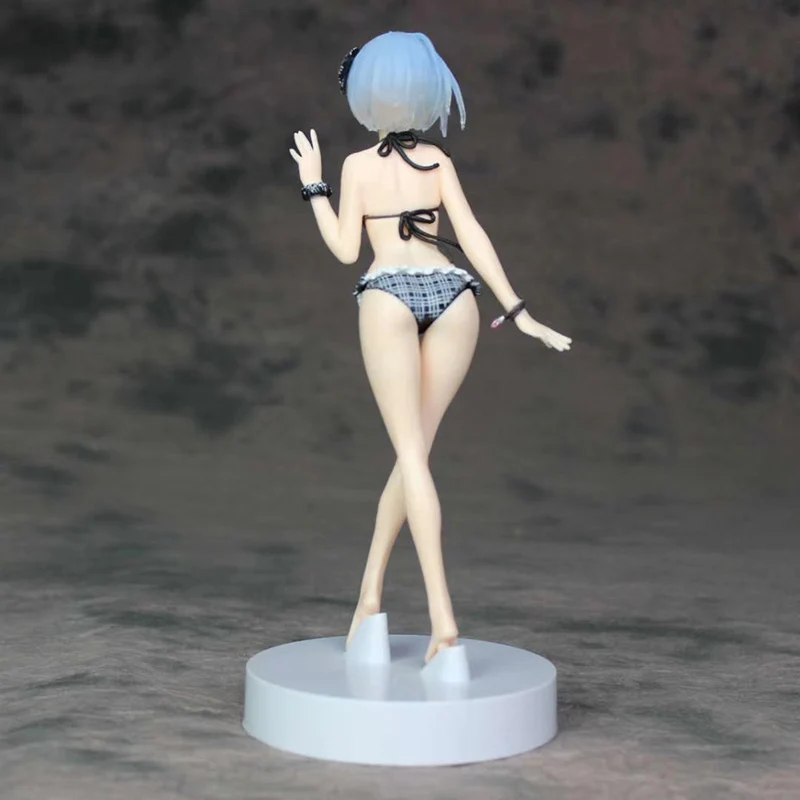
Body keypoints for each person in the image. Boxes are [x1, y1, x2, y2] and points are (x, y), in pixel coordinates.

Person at [290, 31, 571, 665]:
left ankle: (444, 623)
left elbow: (345, 250)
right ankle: (369, 599)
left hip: (387, 293)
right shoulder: (438, 161)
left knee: (412, 457)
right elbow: (471, 234)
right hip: (454, 296)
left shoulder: (357, 167)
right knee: (414, 454)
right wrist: (516, 309)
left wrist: (313, 186)